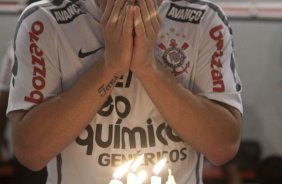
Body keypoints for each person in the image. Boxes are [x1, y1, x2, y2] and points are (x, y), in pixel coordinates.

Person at [7, 0, 243, 183]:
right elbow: (31, 152)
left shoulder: (203, 19)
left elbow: (223, 147)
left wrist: (149, 68)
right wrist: (110, 66)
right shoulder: (45, 20)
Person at [0, 1, 47, 183]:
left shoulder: (16, 46)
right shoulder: (15, 47)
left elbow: (3, 97)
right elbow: (3, 96)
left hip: (33, 148)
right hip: (34, 148)